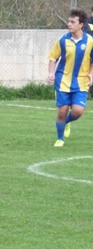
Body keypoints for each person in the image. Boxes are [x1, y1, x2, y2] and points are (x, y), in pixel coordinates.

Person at [48, 9, 93, 147]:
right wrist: (51, 72)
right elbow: (52, 57)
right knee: (62, 111)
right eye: (68, 21)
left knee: (78, 111)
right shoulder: (62, 40)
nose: (69, 24)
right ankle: (60, 138)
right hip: (63, 80)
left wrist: (91, 74)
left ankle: (66, 122)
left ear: (81, 25)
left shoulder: (90, 41)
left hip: (81, 81)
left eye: (73, 22)